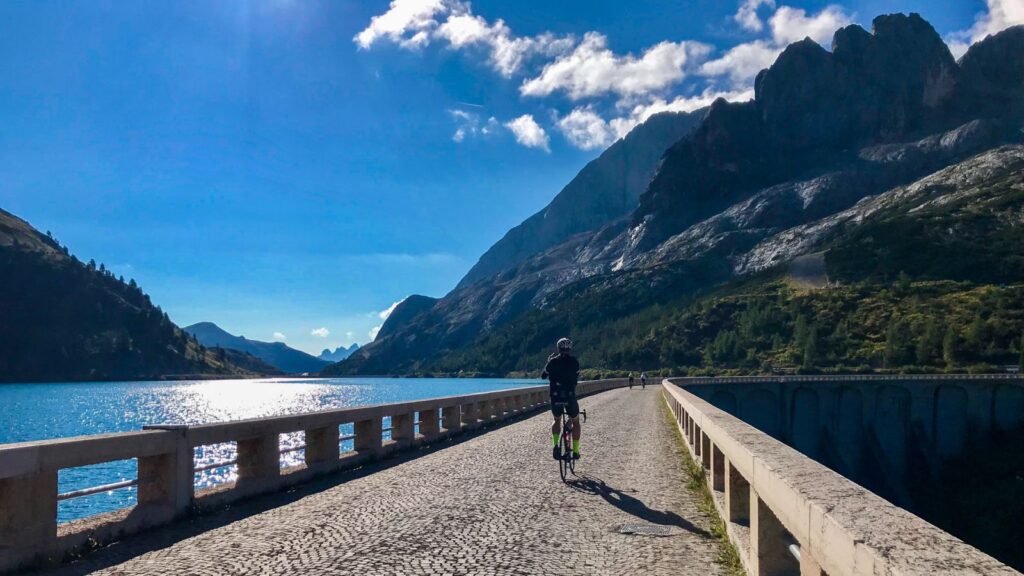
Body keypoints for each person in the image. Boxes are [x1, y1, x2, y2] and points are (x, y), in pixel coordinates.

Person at [545, 337, 581, 460]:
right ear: (570, 348)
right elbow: (577, 374)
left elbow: (543, 375)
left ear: (558, 348)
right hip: (570, 396)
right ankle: (575, 451)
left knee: (556, 420)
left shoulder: (553, 362)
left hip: (555, 396)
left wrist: (549, 361)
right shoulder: (574, 362)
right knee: (576, 422)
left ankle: (555, 445)